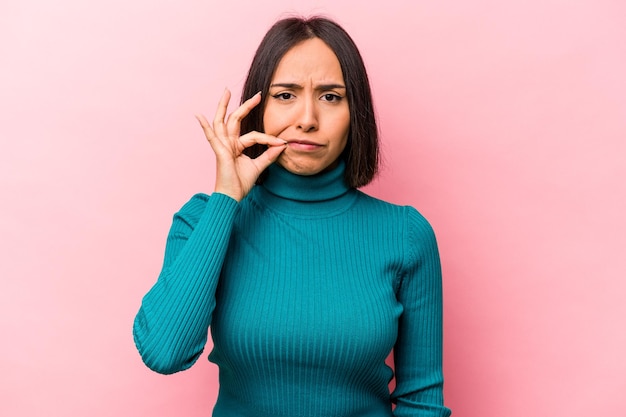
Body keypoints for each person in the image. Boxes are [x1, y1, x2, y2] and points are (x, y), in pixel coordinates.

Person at [133, 16, 451, 417]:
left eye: (330, 97)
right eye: (286, 95)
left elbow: (420, 402)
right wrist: (226, 199)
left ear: (357, 113)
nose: (307, 119)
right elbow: (164, 352)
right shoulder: (203, 219)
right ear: (258, 106)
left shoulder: (405, 235)